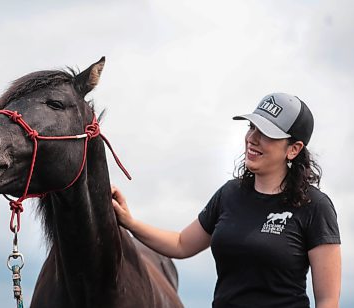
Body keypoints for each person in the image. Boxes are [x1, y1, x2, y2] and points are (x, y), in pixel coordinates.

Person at [112, 93, 341, 308]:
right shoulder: (229, 194)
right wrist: (129, 222)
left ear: (293, 149)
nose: (252, 138)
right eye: (252, 127)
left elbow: (328, 301)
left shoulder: (315, 207)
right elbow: (181, 244)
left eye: (267, 133)